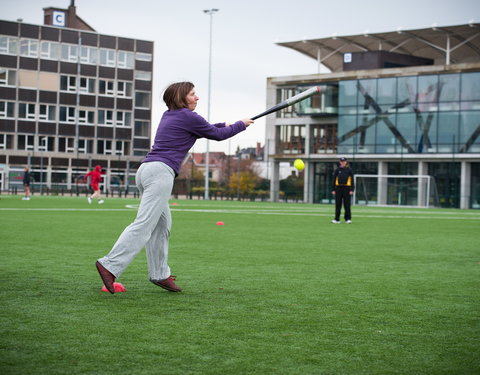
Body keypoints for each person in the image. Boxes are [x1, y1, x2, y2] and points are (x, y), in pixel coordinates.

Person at [95, 81, 253, 294]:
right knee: (144, 225)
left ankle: (160, 274)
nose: (197, 98)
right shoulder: (188, 117)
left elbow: (208, 129)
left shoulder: (170, 115)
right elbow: (216, 135)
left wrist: (229, 123)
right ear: (181, 98)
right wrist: (240, 125)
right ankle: (110, 264)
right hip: (160, 173)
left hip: (146, 171)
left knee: (162, 226)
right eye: (193, 94)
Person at [331, 157, 354, 224]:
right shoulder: (337, 170)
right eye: (341, 161)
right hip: (338, 189)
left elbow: (352, 180)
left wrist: (352, 189)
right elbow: (334, 180)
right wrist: (333, 189)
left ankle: (348, 219)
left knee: (347, 205)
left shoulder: (349, 170)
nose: (343, 162)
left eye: (344, 161)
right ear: (340, 162)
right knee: (338, 204)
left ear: (346, 162)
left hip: (347, 189)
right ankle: (337, 219)